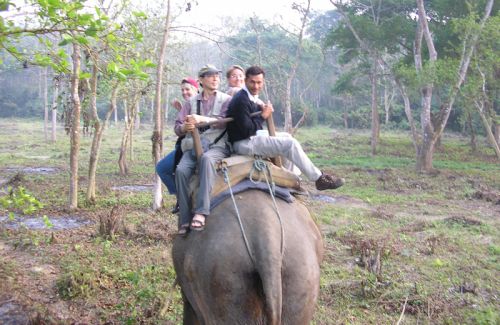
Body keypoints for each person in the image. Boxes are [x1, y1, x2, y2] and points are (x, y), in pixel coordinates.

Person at [226, 65, 345, 191]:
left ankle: (291, 180)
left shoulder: (250, 97)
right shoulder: (241, 100)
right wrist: (263, 115)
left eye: (259, 82)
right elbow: (246, 130)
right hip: (243, 143)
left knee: (287, 137)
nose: (256, 86)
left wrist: (261, 110)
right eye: (252, 82)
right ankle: (319, 179)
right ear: (246, 81)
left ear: (263, 82)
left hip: (251, 137)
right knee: (290, 144)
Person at [175, 64, 232, 235]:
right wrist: (186, 127)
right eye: (210, 75)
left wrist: (202, 119)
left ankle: (201, 212)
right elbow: (177, 127)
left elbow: (225, 120)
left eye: (217, 76)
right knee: (180, 170)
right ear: (201, 80)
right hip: (193, 146)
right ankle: (184, 218)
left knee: (207, 160)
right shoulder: (190, 103)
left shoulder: (226, 99)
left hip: (217, 145)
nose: (215, 79)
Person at [155, 78, 198, 213]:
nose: (184, 92)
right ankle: (183, 197)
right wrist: (181, 109)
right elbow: (180, 127)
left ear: (196, 89)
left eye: (187, 89)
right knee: (162, 168)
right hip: (183, 146)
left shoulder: (202, 103)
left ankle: (184, 198)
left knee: (164, 168)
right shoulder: (187, 105)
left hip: (196, 146)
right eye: (182, 90)